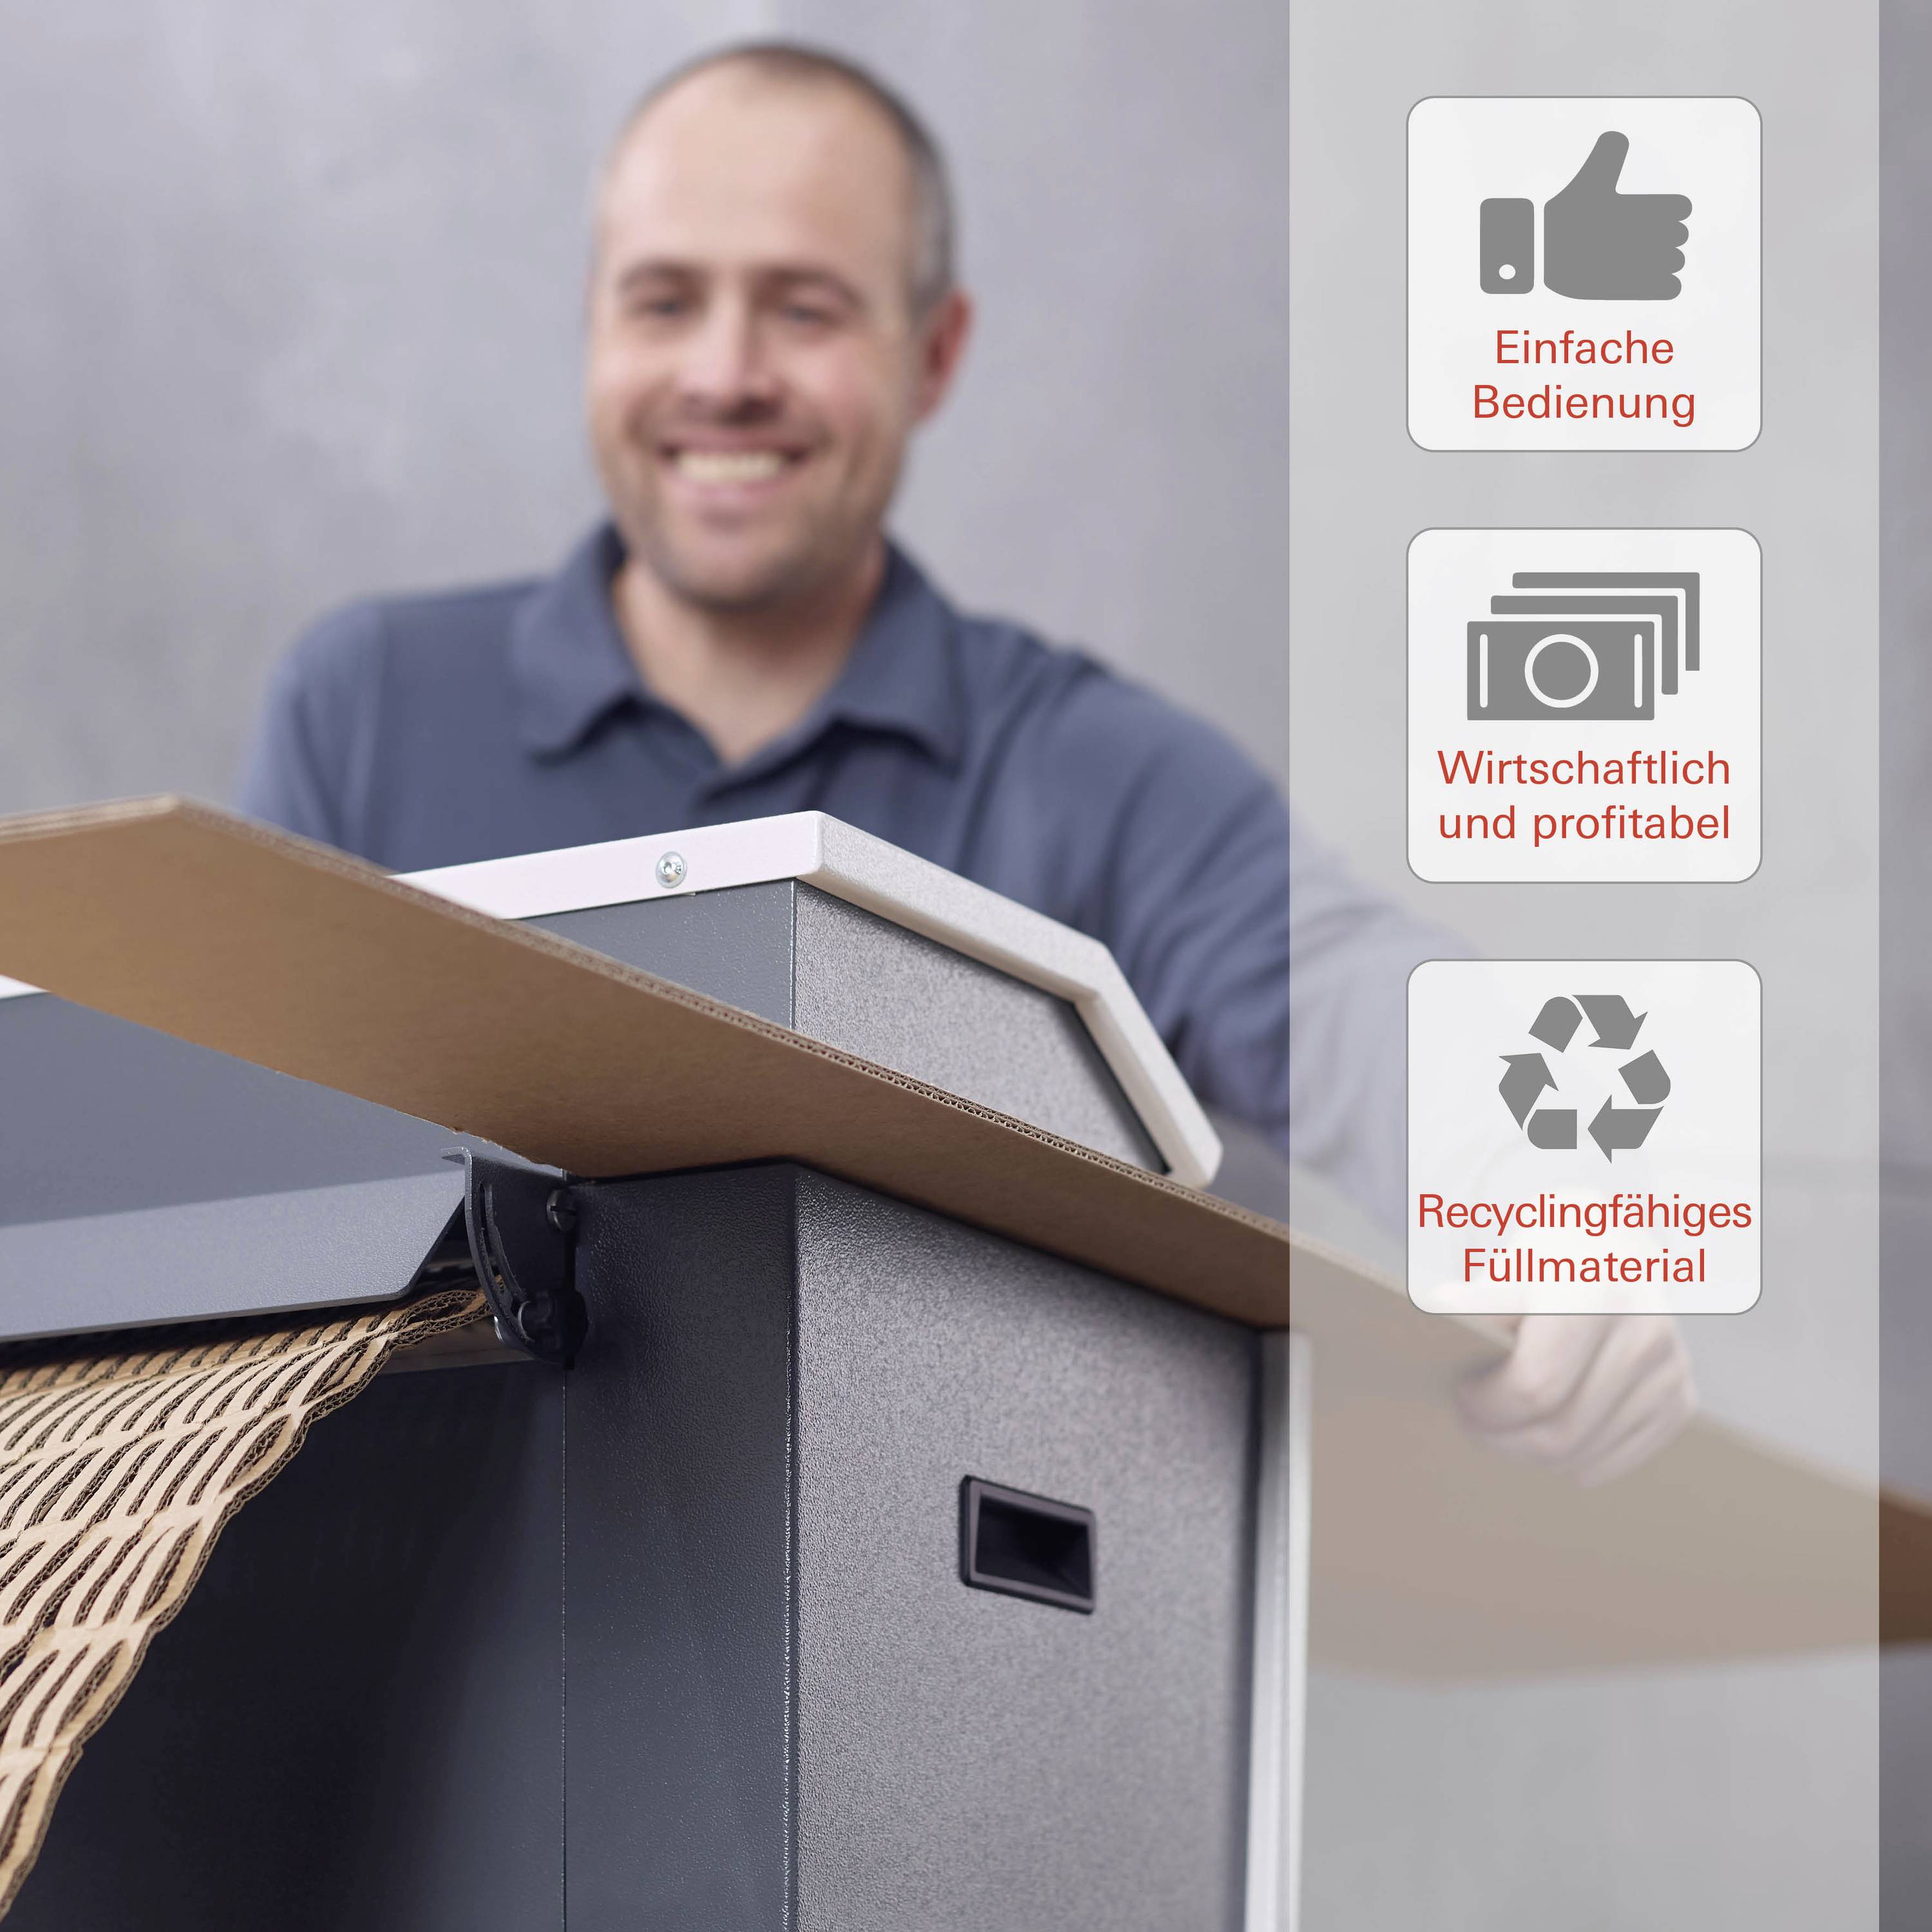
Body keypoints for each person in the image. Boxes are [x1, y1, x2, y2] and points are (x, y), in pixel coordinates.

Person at [236, 41, 1693, 1484]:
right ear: (594, 331)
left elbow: (1367, 1001)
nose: (726, 375)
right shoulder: (365, 707)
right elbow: (237, 1204)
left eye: (804, 309)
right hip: (406, 1614)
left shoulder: (1098, 774)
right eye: (665, 300)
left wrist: (1554, 1205)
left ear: (933, 353)